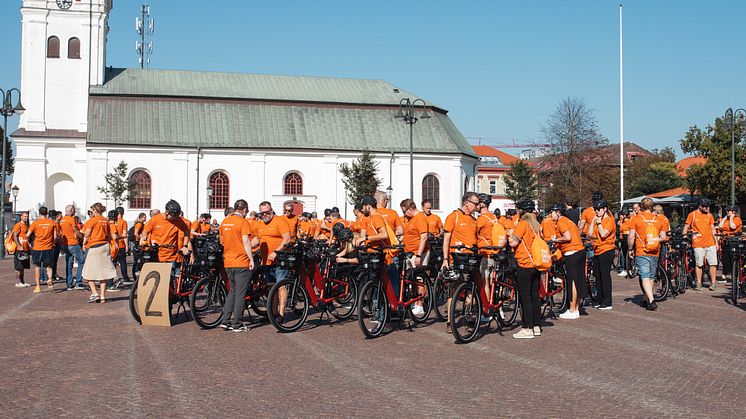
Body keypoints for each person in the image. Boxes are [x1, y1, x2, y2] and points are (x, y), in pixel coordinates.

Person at [441, 192, 479, 331]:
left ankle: (469, 317)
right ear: (466, 202)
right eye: (475, 203)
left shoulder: (474, 220)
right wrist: (445, 259)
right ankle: (450, 322)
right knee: (453, 289)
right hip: (455, 259)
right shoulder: (454, 217)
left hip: (471, 260)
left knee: (471, 289)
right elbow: (446, 239)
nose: (477, 206)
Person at [219, 199, 256, 332]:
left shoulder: (225, 222)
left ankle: (225, 321)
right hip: (241, 261)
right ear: (244, 210)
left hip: (228, 261)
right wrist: (251, 259)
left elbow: (222, 241)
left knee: (232, 292)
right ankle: (237, 323)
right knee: (240, 293)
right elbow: (246, 241)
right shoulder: (243, 222)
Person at [509, 198, 543, 338]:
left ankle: (527, 327)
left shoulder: (523, 224)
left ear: (521, 211)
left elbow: (513, 242)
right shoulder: (536, 224)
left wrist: (510, 234)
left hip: (524, 263)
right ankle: (536, 326)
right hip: (535, 264)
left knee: (525, 297)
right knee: (535, 296)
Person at [251, 201, 291, 321]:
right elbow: (257, 239)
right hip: (266, 261)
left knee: (281, 286)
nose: (265, 215)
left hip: (280, 260)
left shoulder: (280, 221)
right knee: (270, 287)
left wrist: (276, 251)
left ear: (272, 210)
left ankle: (281, 314)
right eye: (262, 213)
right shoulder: (260, 224)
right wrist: (246, 248)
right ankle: (273, 314)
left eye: (267, 212)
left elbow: (287, 239)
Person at [549, 203, 587, 319]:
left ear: (558, 212)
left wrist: (555, 240)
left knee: (572, 281)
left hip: (572, 252)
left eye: (552, 212)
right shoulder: (568, 221)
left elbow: (567, 237)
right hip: (580, 251)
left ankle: (572, 309)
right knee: (579, 279)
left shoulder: (561, 222)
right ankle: (576, 308)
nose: (551, 215)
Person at [628, 197, 666, 309]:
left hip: (641, 250)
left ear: (641, 207)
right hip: (655, 251)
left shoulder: (636, 219)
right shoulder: (659, 220)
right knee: (651, 276)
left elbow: (631, 237)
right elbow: (663, 237)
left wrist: (630, 249)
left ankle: (651, 300)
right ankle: (646, 298)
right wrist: (653, 240)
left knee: (644, 276)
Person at [141, 200, 191, 278]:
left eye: (176, 216)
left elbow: (186, 231)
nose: (174, 218)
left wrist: (185, 245)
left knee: (169, 279)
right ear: (167, 212)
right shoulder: (155, 219)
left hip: (170, 255)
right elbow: (145, 231)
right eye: (173, 216)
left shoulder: (178, 220)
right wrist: (143, 238)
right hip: (156, 253)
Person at [81, 203, 118, 303]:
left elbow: (87, 234)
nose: (91, 212)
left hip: (95, 246)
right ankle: (102, 296)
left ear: (95, 210)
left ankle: (95, 293)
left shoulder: (92, 220)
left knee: (88, 272)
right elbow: (109, 235)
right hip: (105, 246)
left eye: (92, 210)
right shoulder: (105, 221)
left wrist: (84, 244)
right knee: (103, 272)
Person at [399, 198, 429, 316]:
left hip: (417, 252)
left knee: (419, 279)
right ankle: (415, 301)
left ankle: (420, 305)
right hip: (410, 252)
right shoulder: (412, 219)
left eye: (404, 211)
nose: (404, 214)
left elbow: (424, 237)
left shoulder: (420, 218)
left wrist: (418, 255)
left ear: (410, 209)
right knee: (412, 279)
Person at [682, 198, 718, 290]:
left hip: (710, 243)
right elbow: (686, 226)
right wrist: (684, 237)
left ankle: (713, 283)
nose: (707, 208)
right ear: (700, 206)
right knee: (699, 264)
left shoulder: (710, 215)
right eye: (705, 207)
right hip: (698, 243)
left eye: (708, 207)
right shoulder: (692, 215)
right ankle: (698, 282)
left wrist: (716, 242)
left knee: (713, 263)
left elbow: (713, 228)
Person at [587, 199, 616, 310]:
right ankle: (599, 299)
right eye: (595, 210)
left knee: (605, 276)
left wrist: (599, 222)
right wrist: (593, 222)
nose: (597, 212)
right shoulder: (596, 219)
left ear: (605, 209)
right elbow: (589, 235)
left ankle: (607, 301)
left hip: (607, 249)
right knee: (597, 276)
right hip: (597, 249)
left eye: (599, 209)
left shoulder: (609, 220)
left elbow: (604, 234)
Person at [476, 193, 499, 320]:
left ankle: (487, 309)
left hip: (485, 253)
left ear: (482, 204)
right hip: (494, 253)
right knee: (491, 282)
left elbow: (474, 233)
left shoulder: (481, 219)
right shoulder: (493, 217)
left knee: (485, 283)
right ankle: (496, 307)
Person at [27, 206, 58, 293]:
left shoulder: (35, 223)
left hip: (37, 247)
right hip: (48, 247)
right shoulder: (52, 223)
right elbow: (55, 236)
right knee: (48, 266)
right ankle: (50, 279)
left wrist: (29, 243)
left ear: (39, 213)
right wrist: (53, 243)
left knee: (37, 267)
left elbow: (27, 234)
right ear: (47, 213)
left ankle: (38, 286)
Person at [60, 205, 85, 290]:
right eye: (74, 210)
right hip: (73, 243)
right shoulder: (71, 219)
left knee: (69, 263)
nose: (75, 212)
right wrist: (83, 238)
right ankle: (79, 281)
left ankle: (69, 283)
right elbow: (76, 231)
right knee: (81, 261)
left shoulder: (62, 219)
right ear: (70, 210)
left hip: (66, 244)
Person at [719, 205, 742, 280]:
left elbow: (733, 227)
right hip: (725, 241)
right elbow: (720, 226)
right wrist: (725, 217)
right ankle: (725, 274)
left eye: (728, 211)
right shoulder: (726, 219)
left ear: (733, 212)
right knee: (725, 258)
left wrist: (731, 217)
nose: (727, 212)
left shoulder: (737, 219)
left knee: (733, 257)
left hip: (734, 240)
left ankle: (735, 274)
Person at [12, 212, 32, 288]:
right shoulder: (18, 225)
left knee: (23, 266)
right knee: (18, 266)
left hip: (25, 248)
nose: (26, 218)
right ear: (21, 217)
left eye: (27, 216)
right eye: (25, 216)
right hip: (19, 249)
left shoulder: (26, 226)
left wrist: (29, 245)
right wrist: (19, 246)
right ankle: (17, 282)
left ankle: (22, 281)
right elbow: (15, 235)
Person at [113, 206, 130, 286]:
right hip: (121, 244)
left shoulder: (112, 222)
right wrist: (127, 245)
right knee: (123, 262)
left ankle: (112, 277)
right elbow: (125, 235)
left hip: (113, 245)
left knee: (113, 262)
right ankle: (125, 277)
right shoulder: (123, 222)